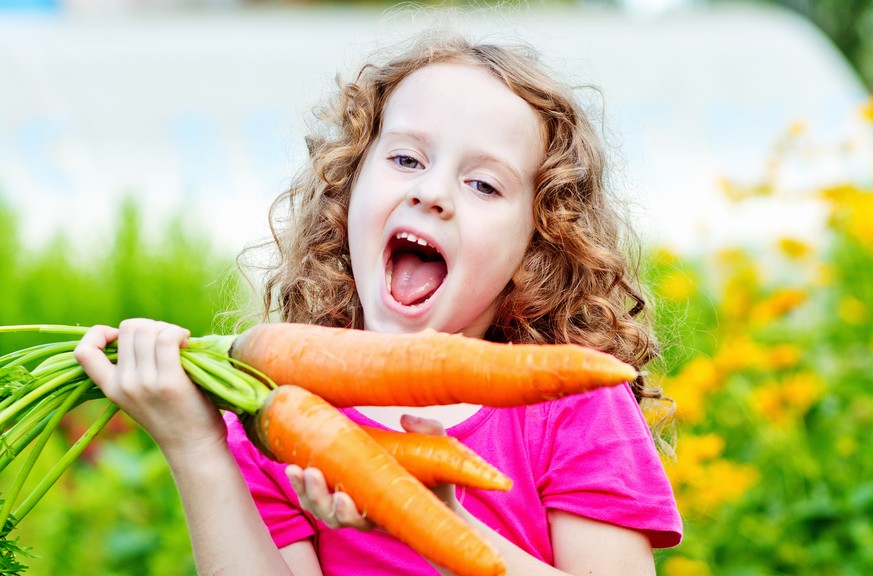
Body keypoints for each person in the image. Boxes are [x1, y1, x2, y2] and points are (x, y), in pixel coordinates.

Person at [75, 28, 682, 576]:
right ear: (347, 190)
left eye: (483, 184)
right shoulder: (272, 421)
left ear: (538, 242)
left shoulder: (573, 403)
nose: (432, 191)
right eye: (405, 158)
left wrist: (437, 523)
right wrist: (196, 447)